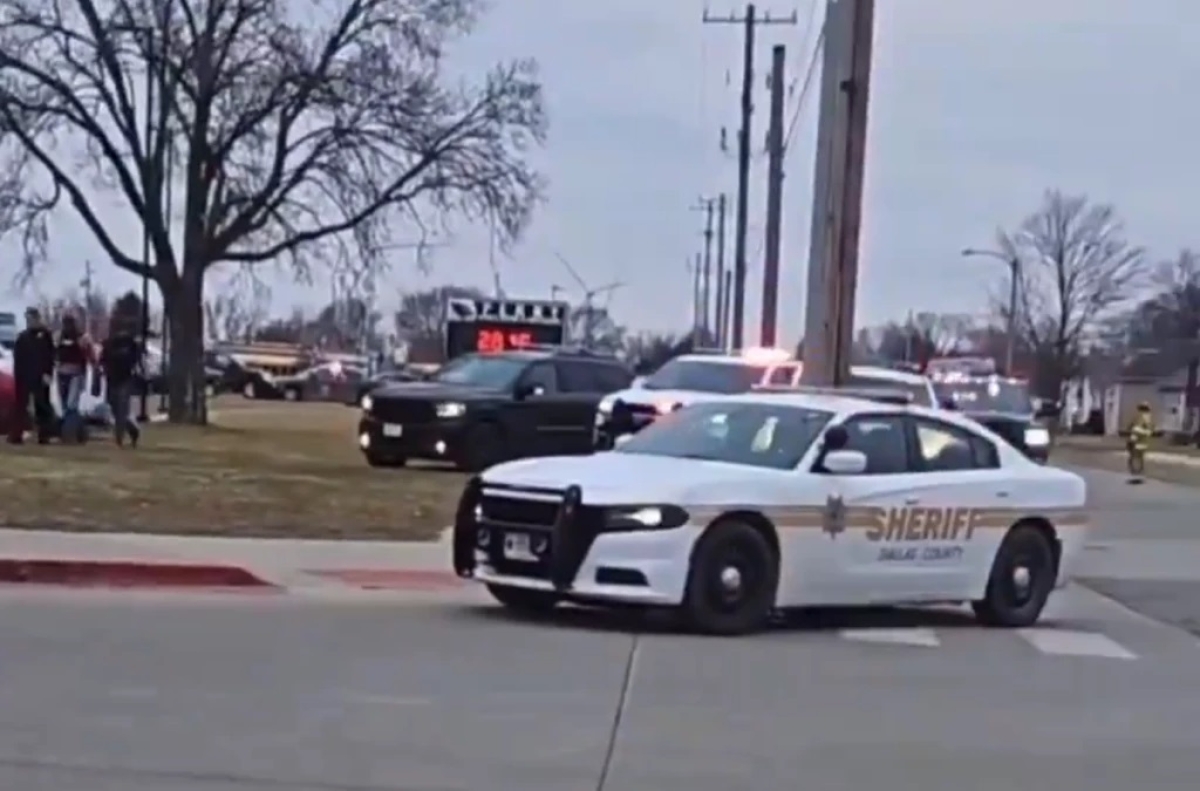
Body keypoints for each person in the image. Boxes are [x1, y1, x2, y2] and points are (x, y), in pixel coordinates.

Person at [8, 307, 54, 444]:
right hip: (24, 376)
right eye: (27, 319)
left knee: (42, 406)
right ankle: (17, 434)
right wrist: (17, 376)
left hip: (40, 376)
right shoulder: (23, 337)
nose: (29, 321)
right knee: (21, 406)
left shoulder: (45, 336)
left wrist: (48, 373)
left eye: (31, 318)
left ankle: (44, 435)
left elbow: (49, 356)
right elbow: (18, 357)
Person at [99, 318, 142, 447]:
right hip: (112, 379)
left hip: (125, 379)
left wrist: (134, 368)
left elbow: (136, 358)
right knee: (114, 407)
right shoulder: (109, 343)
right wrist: (103, 369)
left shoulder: (130, 343)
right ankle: (132, 429)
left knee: (122, 408)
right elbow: (103, 359)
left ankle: (119, 438)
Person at [55, 314, 92, 443]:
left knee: (71, 405)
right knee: (67, 406)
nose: (67, 326)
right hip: (62, 373)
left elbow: (87, 355)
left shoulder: (81, 337)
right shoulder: (60, 336)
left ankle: (69, 435)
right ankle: (80, 433)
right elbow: (56, 353)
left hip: (76, 373)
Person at [1126, 401, 1155, 482]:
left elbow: (1134, 428)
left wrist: (1132, 438)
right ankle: (1140, 471)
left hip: (1137, 441)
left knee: (1133, 457)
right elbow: (1150, 430)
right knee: (1140, 457)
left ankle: (1135, 472)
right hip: (1144, 442)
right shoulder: (1149, 417)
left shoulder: (1140, 417)